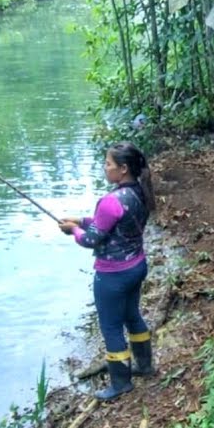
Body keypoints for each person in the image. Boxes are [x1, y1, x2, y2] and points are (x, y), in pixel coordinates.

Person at [59, 143, 156, 400]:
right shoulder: (140, 192)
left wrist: (73, 230)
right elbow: (109, 225)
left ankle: (120, 383)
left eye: (108, 164)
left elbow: (90, 240)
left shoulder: (110, 201)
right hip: (137, 266)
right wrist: (81, 220)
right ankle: (145, 365)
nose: (105, 168)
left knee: (111, 327)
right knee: (132, 315)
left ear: (123, 169)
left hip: (113, 276)